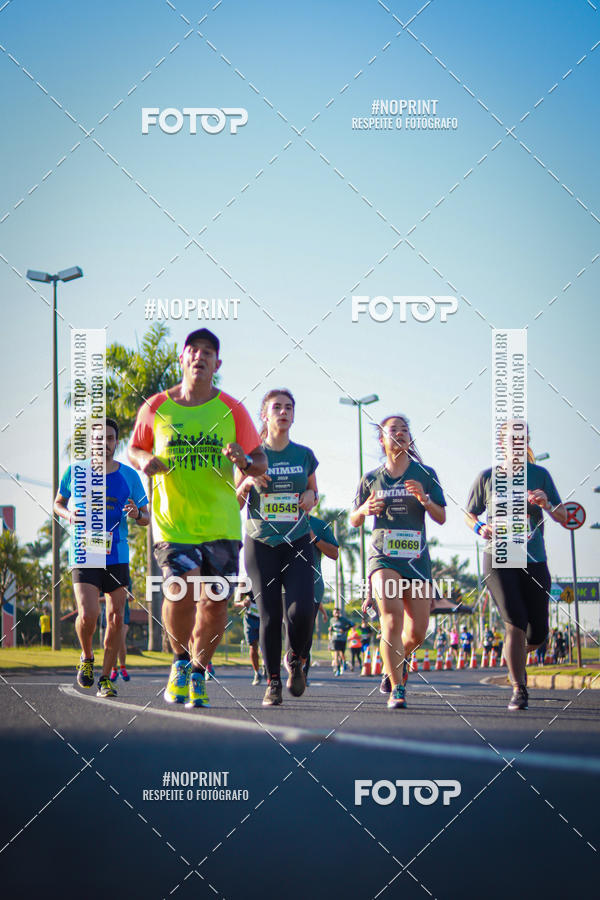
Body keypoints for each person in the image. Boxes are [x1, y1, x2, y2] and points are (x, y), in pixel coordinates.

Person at [128, 329, 266, 709]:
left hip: (221, 523)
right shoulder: (156, 406)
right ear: (183, 358)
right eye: (193, 351)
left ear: (217, 363)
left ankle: (199, 671)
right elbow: (134, 448)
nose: (199, 357)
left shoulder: (232, 409)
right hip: (174, 523)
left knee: (216, 603)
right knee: (180, 592)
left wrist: (244, 461)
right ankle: (179, 662)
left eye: (207, 353)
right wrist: (144, 460)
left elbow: (260, 461)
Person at [465, 423, 566, 710]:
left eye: (523, 438)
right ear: (502, 444)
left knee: (539, 633)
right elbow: (469, 514)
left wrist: (546, 504)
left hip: (533, 558)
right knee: (516, 621)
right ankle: (519, 688)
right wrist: (481, 527)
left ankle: (514, 654)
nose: (518, 443)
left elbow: (563, 515)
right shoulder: (487, 477)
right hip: (498, 558)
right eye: (512, 438)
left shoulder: (540, 475)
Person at [352, 414, 446, 709]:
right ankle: (397, 688)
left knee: (417, 632)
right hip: (383, 558)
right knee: (391, 618)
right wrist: (365, 509)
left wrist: (425, 500)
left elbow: (441, 517)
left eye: (405, 429)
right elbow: (354, 519)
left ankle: (396, 661)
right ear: (382, 439)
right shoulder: (371, 478)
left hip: (416, 560)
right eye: (393, 430)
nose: (400, 433)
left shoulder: (425, 474)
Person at [54, 418, 149, 697]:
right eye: (99, 438)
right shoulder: (75, 472)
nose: (104, 443)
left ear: (116, 442)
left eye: (109, 438)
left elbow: (146, 516)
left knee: (116, 618)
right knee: (88, 614)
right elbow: (58, 503)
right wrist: (68, 514)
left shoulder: (129, 476)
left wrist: (137, 514)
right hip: (84, 552)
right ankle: (86, 656)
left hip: (116, 553)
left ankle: (106, 678)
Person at [237, 389, 318, 706]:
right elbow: (236, 502)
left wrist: (311, 497)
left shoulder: (304, 455)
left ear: (293, 416)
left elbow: (313, 492)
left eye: (288, 408)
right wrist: (247, 482)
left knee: (303, 610)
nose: (283, 412)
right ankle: (273, 683)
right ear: (265, 415)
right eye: (277, 407)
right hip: (261, 544)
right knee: (269, 616)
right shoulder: (251, 456)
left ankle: (295, 658)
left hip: (297, 541)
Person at [301, 514, 337, 683]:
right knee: (290, 628)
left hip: (313, 586)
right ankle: (283, 671)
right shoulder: (281, 520)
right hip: (284, 586)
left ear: (314, 501)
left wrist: (314, 538)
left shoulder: (319, 525)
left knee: (305, 631)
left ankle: (301, 671)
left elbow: (334, 553)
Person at [234, 584, 263, 685]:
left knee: (266, 646)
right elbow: (235, 602)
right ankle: (257, 673)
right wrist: (242, 603)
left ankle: (266, 666)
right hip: (250, 619)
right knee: (253, 646)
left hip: (265, 619)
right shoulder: (245, 582)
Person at [328, 607, 352, 675]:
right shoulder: (332, 620)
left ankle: (343, 662)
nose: (336, 614)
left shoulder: (343, 620)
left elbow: (351, 624)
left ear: (339, 613)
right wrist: (330, 630)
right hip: (335, 639)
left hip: (342, 639)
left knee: (342, 654)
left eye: (338, 612)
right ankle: (337, 669)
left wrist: (344, 630)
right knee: (336, 654)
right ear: (333, 613)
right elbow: (331, 628)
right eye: (335, 612)